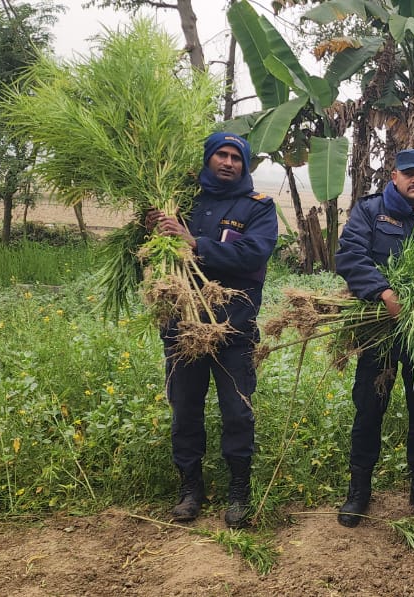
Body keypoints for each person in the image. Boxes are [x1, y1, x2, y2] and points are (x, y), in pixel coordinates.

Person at [148, 132, 278, 529]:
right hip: (182, 327)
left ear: (244, 164)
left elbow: (254, 253)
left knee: (237, 411)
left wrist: (194, 242)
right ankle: (191, 489)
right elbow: (153, 256)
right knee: (185, 410)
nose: (228, 162)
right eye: (220, 155)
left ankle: (239, 491)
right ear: (208, 159)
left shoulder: (258, 207)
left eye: (235, 157)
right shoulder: (180, 203)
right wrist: (154, 232)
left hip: (233, 330)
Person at [333, 149, 414, 527]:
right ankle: (359, 491)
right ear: (394, 176)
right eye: (409, 174)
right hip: (379, 333)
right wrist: (384, 293)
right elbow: (350, 257)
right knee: (369, 411)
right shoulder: (371, 212)